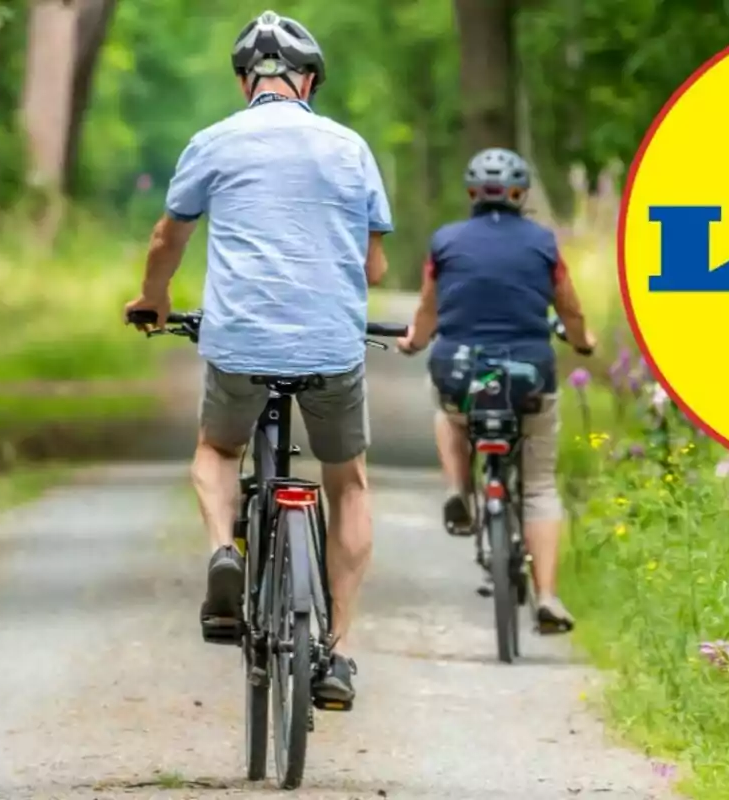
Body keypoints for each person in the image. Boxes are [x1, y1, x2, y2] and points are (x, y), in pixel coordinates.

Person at [123, 10, 392, 706]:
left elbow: (166, 239)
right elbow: (376, 265)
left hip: (240, 340)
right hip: (332, 343)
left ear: (247, 81)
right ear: (308, 81)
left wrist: (154, 300)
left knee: (217, 449)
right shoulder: (349, 147)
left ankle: (223, 550)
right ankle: (339, 655)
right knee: (350, 480)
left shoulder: (213, 141)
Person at [395, 147, 596, 633]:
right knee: (541, 486)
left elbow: (428, 310)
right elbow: (568, 308)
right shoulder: (545, 243)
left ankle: (458, 489)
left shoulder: (445, 242)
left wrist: (414, 341)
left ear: (471, 193)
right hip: (529, 375)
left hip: (461, 371)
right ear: (520, 194)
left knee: (448, 411)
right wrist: (584, 341)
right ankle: (547, 596)